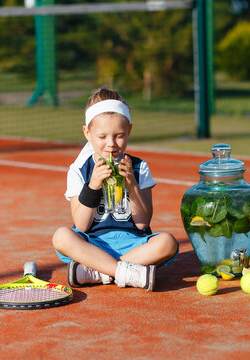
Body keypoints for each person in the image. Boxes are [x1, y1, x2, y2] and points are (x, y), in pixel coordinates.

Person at [52, 88, 179, 291]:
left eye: (119, 136)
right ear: (87, 133)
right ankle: (125, 272)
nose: (111, 144)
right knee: (61, 236)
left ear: (129, 130)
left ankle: (99, 272)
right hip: (93, 244)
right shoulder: (79, 170)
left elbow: (142, 223)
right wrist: (93, 185)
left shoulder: (139, 167)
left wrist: (132, 184)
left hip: (134, 245)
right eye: (102, 136)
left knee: (168, 243)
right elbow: (82, 225)